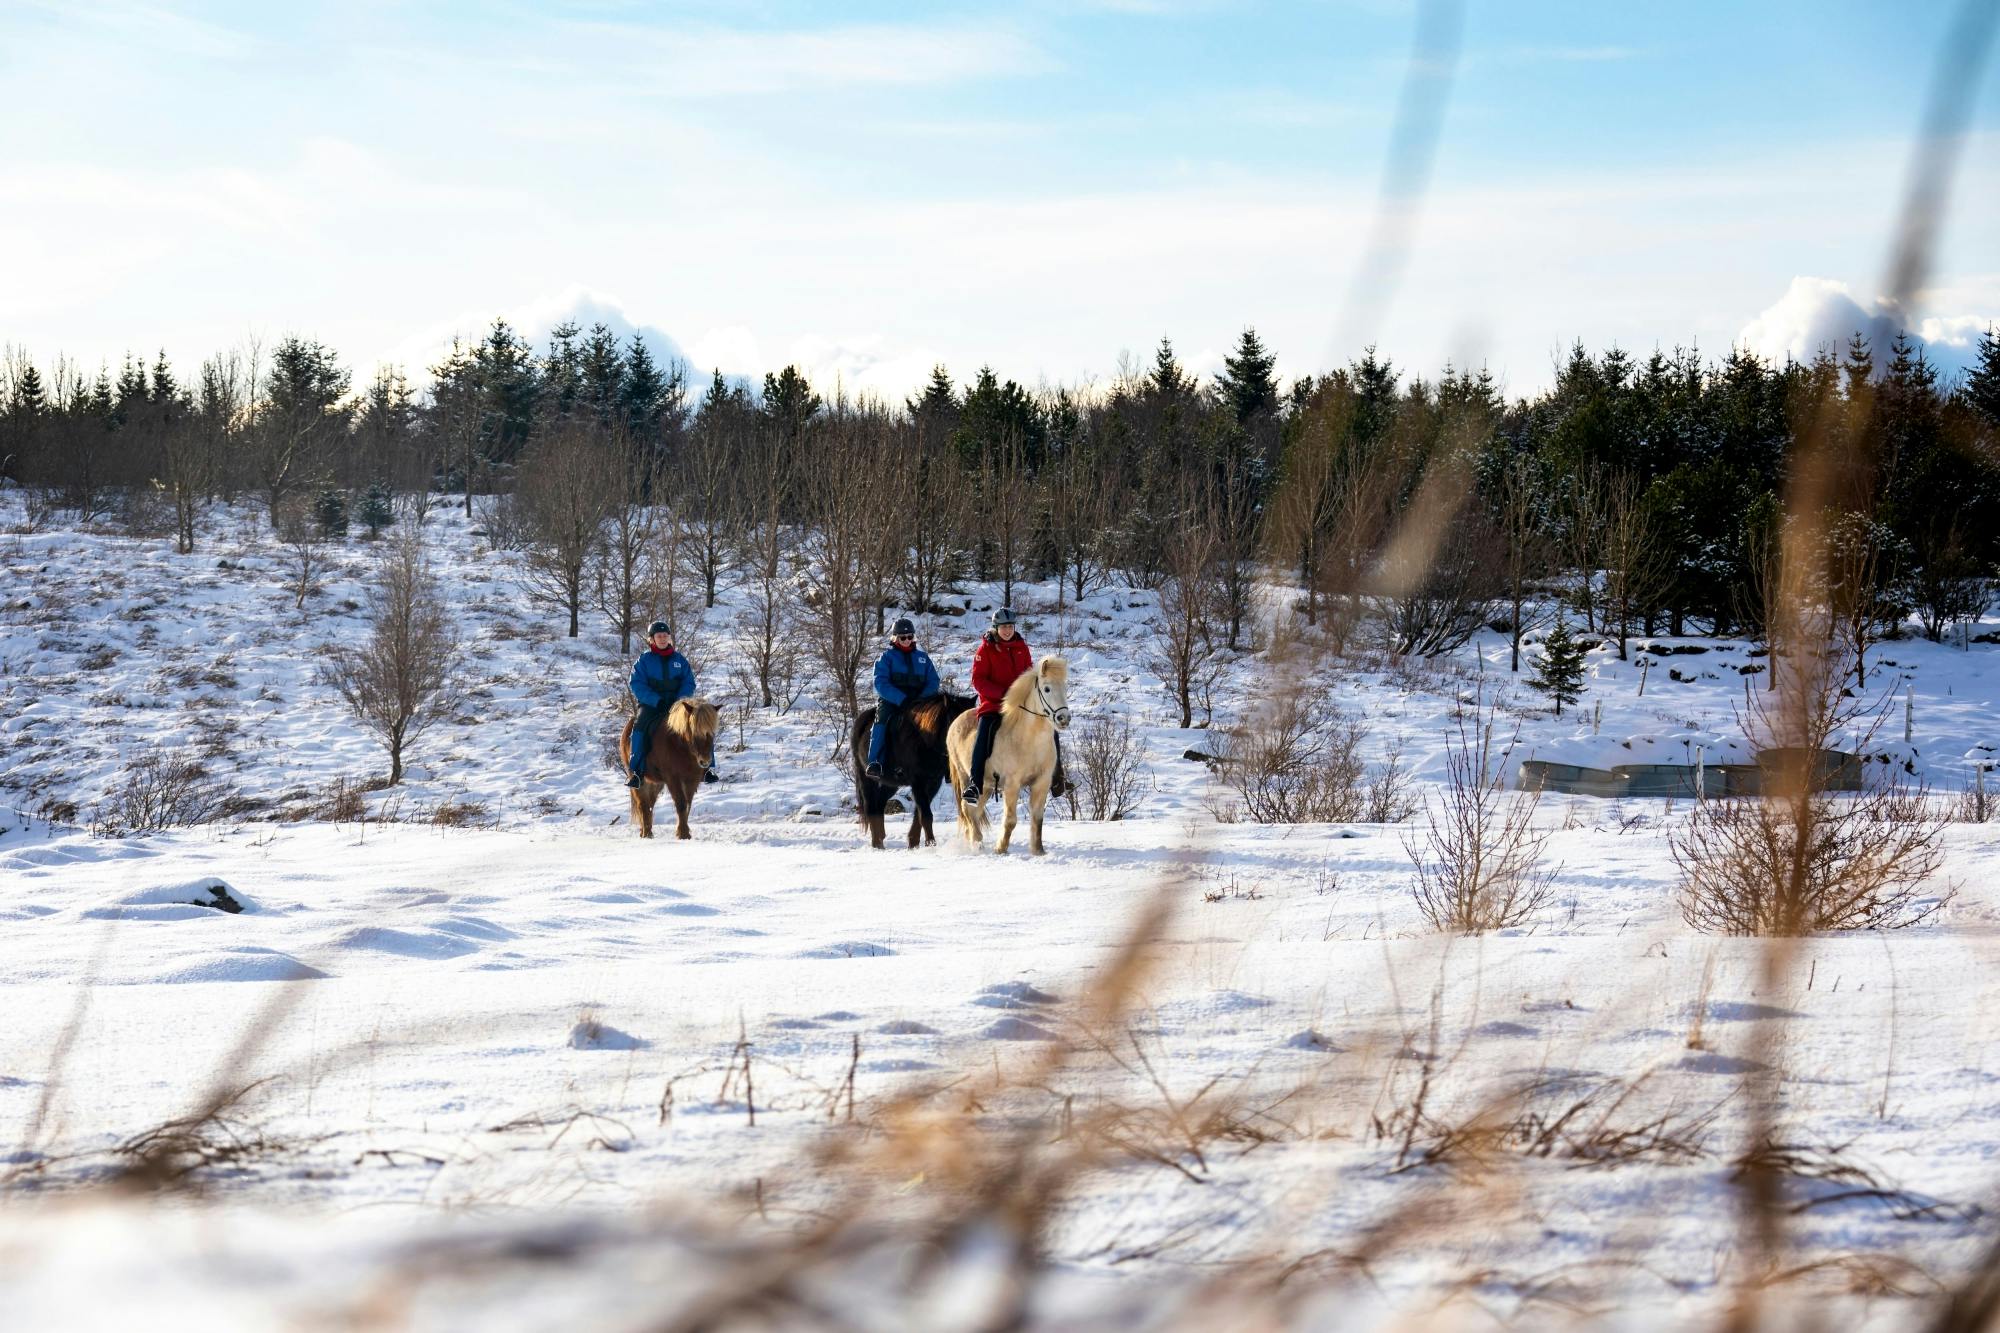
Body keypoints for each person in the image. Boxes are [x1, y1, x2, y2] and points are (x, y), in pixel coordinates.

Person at [627, 620, 712, 787]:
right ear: (652, 639)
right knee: (639, 726)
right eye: (659, 636)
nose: (663, 638)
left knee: (703, 723)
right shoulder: (643, 661)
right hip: (652, 705)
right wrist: (655, 700)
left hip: (678, 705)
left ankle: (708, 769)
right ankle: (636, 771)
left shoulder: (679, 659)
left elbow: (689, 682)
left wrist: (679, 700)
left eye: (665, 635)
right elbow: (636, 684)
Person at [965, 606, 1034, 803]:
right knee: (983, 735)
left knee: (1047, 726)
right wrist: (1003, 694)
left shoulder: (1022, 647)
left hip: (1020, 705)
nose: (1007, 630)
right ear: (996, 627)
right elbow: (978, 680)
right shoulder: (985, 649)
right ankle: (975, 784)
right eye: (1003, 627)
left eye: (1010, 626)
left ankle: (1056, 776)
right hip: (994, 705)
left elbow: (1029, 675)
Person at [864, 617, 941, 782]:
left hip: (919, 702)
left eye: (910, 637)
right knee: (882, 720)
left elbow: (933, 681)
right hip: (893, 701)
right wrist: (901, 699)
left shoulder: (923, 658)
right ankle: (875, 761)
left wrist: (922, 698)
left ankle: (944, 762)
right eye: (902, 637)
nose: (907, 641)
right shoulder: (886, 658)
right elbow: (880, 683)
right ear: (895, 638)